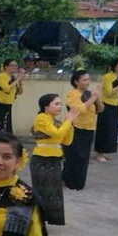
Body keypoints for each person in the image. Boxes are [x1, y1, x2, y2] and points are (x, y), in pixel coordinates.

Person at [30, 94, 78, 226]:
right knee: (42, 190)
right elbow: (57, 134)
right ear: (46, 106)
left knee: (54, 191)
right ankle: (38, 219)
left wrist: (70, 123)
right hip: (42, 159)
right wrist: (68, 121)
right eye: (56, 104)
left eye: (60, 104)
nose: (59, 107)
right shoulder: (41, 118)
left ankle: (49, 219)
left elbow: (67, 141)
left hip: (55, 159)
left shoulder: (55, 121)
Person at [63, 69, 104, 191]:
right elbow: (79, 109)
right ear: (76, 82)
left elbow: (100, 109)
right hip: (75, 128)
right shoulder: (72, 94)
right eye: (84, 80)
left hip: (89, 129)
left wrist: (97, 98)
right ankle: (71, 182)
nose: (87, 82)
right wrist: (93, 98)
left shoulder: (90, 94)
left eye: (88, 79)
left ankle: (77, 182)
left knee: (83, 157)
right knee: (75, 156)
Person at [94, 58, 118, 162]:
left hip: (116, 105)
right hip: (106, 105)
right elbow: (109, 93)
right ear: (115, 66)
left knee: (111, 131)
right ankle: (99, 153)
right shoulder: (107, 77)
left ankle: (105, 152)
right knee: (104, 130)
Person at [0, 59, 25, 137]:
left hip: (8, 105)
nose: (14, 67)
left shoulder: (13, 78)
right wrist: (18, 79)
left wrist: (20, 81)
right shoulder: (2, 76)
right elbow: (7, 89)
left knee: (7, 128)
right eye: (12, 65)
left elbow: (20, 92)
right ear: (6, 67)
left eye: (16, 65)